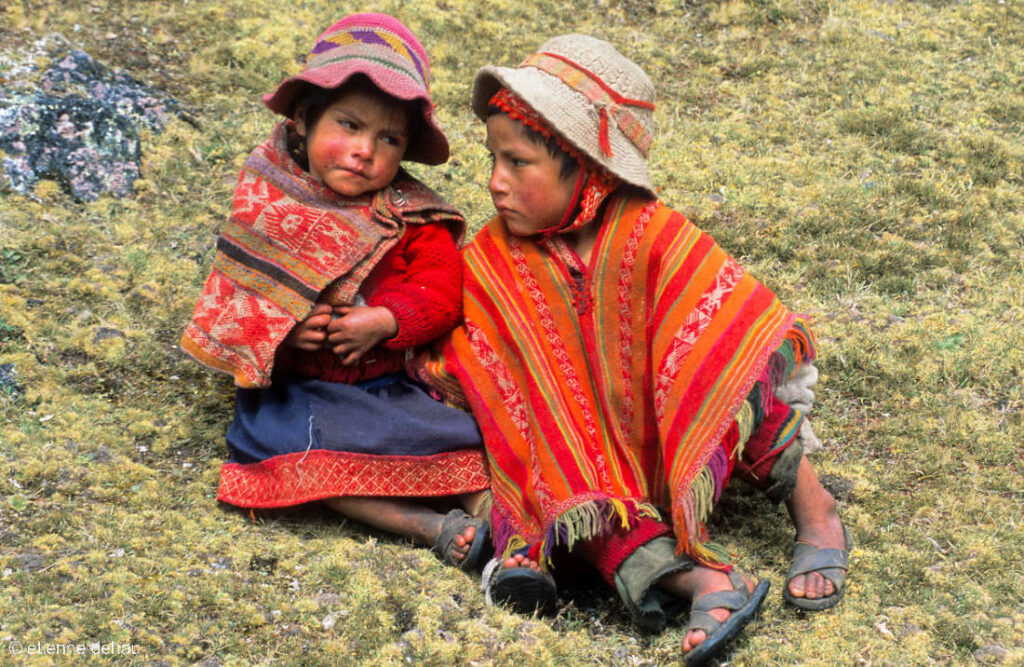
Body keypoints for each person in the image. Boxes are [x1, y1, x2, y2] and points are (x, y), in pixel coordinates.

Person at [410, 34, 850, 664]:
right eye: (493, 160)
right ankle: (697, 579)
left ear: (587, 167)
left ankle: (817, 511)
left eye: (518, 164)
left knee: (723, 372)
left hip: (679, 438)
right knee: (565, 495)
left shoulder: (651, 233)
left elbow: (733, 327)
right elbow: (492, 373)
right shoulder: (491, 261)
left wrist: (705, 370)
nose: (495, 183)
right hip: (595, 466)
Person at [181, 13, 491, 571]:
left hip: (391, 388)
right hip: (304, 396)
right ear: (304, 117)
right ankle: (431, 527)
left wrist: (388, 321)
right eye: (348, 125)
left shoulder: (413, 219)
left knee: (464, 440)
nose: (364, 150)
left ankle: (490, 512)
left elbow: (444, 292)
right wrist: (288, 330)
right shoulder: (270, 203)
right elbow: (242, 298)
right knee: (289, 452)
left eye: (388, 138)